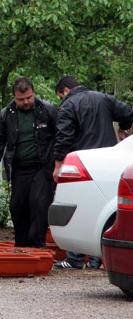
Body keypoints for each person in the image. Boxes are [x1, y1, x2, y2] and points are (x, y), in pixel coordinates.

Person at [52, 75, 133, 269]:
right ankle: (96, 260)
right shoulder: (104, 99)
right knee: (101, 207)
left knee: (81, 209)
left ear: (64, 91)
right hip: (109, 163)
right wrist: (123, 130)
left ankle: (74, 259)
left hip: (83, 165)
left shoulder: (68, 106)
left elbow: (63, 137)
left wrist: (58, 166)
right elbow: (129, 113)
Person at [0, 77, 58, 248]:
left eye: (29, 98)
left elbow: (61, 136)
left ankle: (37, 246)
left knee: (39, 204)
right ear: (14, 97)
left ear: (33, 93)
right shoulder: (7, 114)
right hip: (18, 168)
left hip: (42, 167)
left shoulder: (48, 110)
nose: (26, 102)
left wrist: (59, 163)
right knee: (17, 206)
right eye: (21, 99)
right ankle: (22, 246)